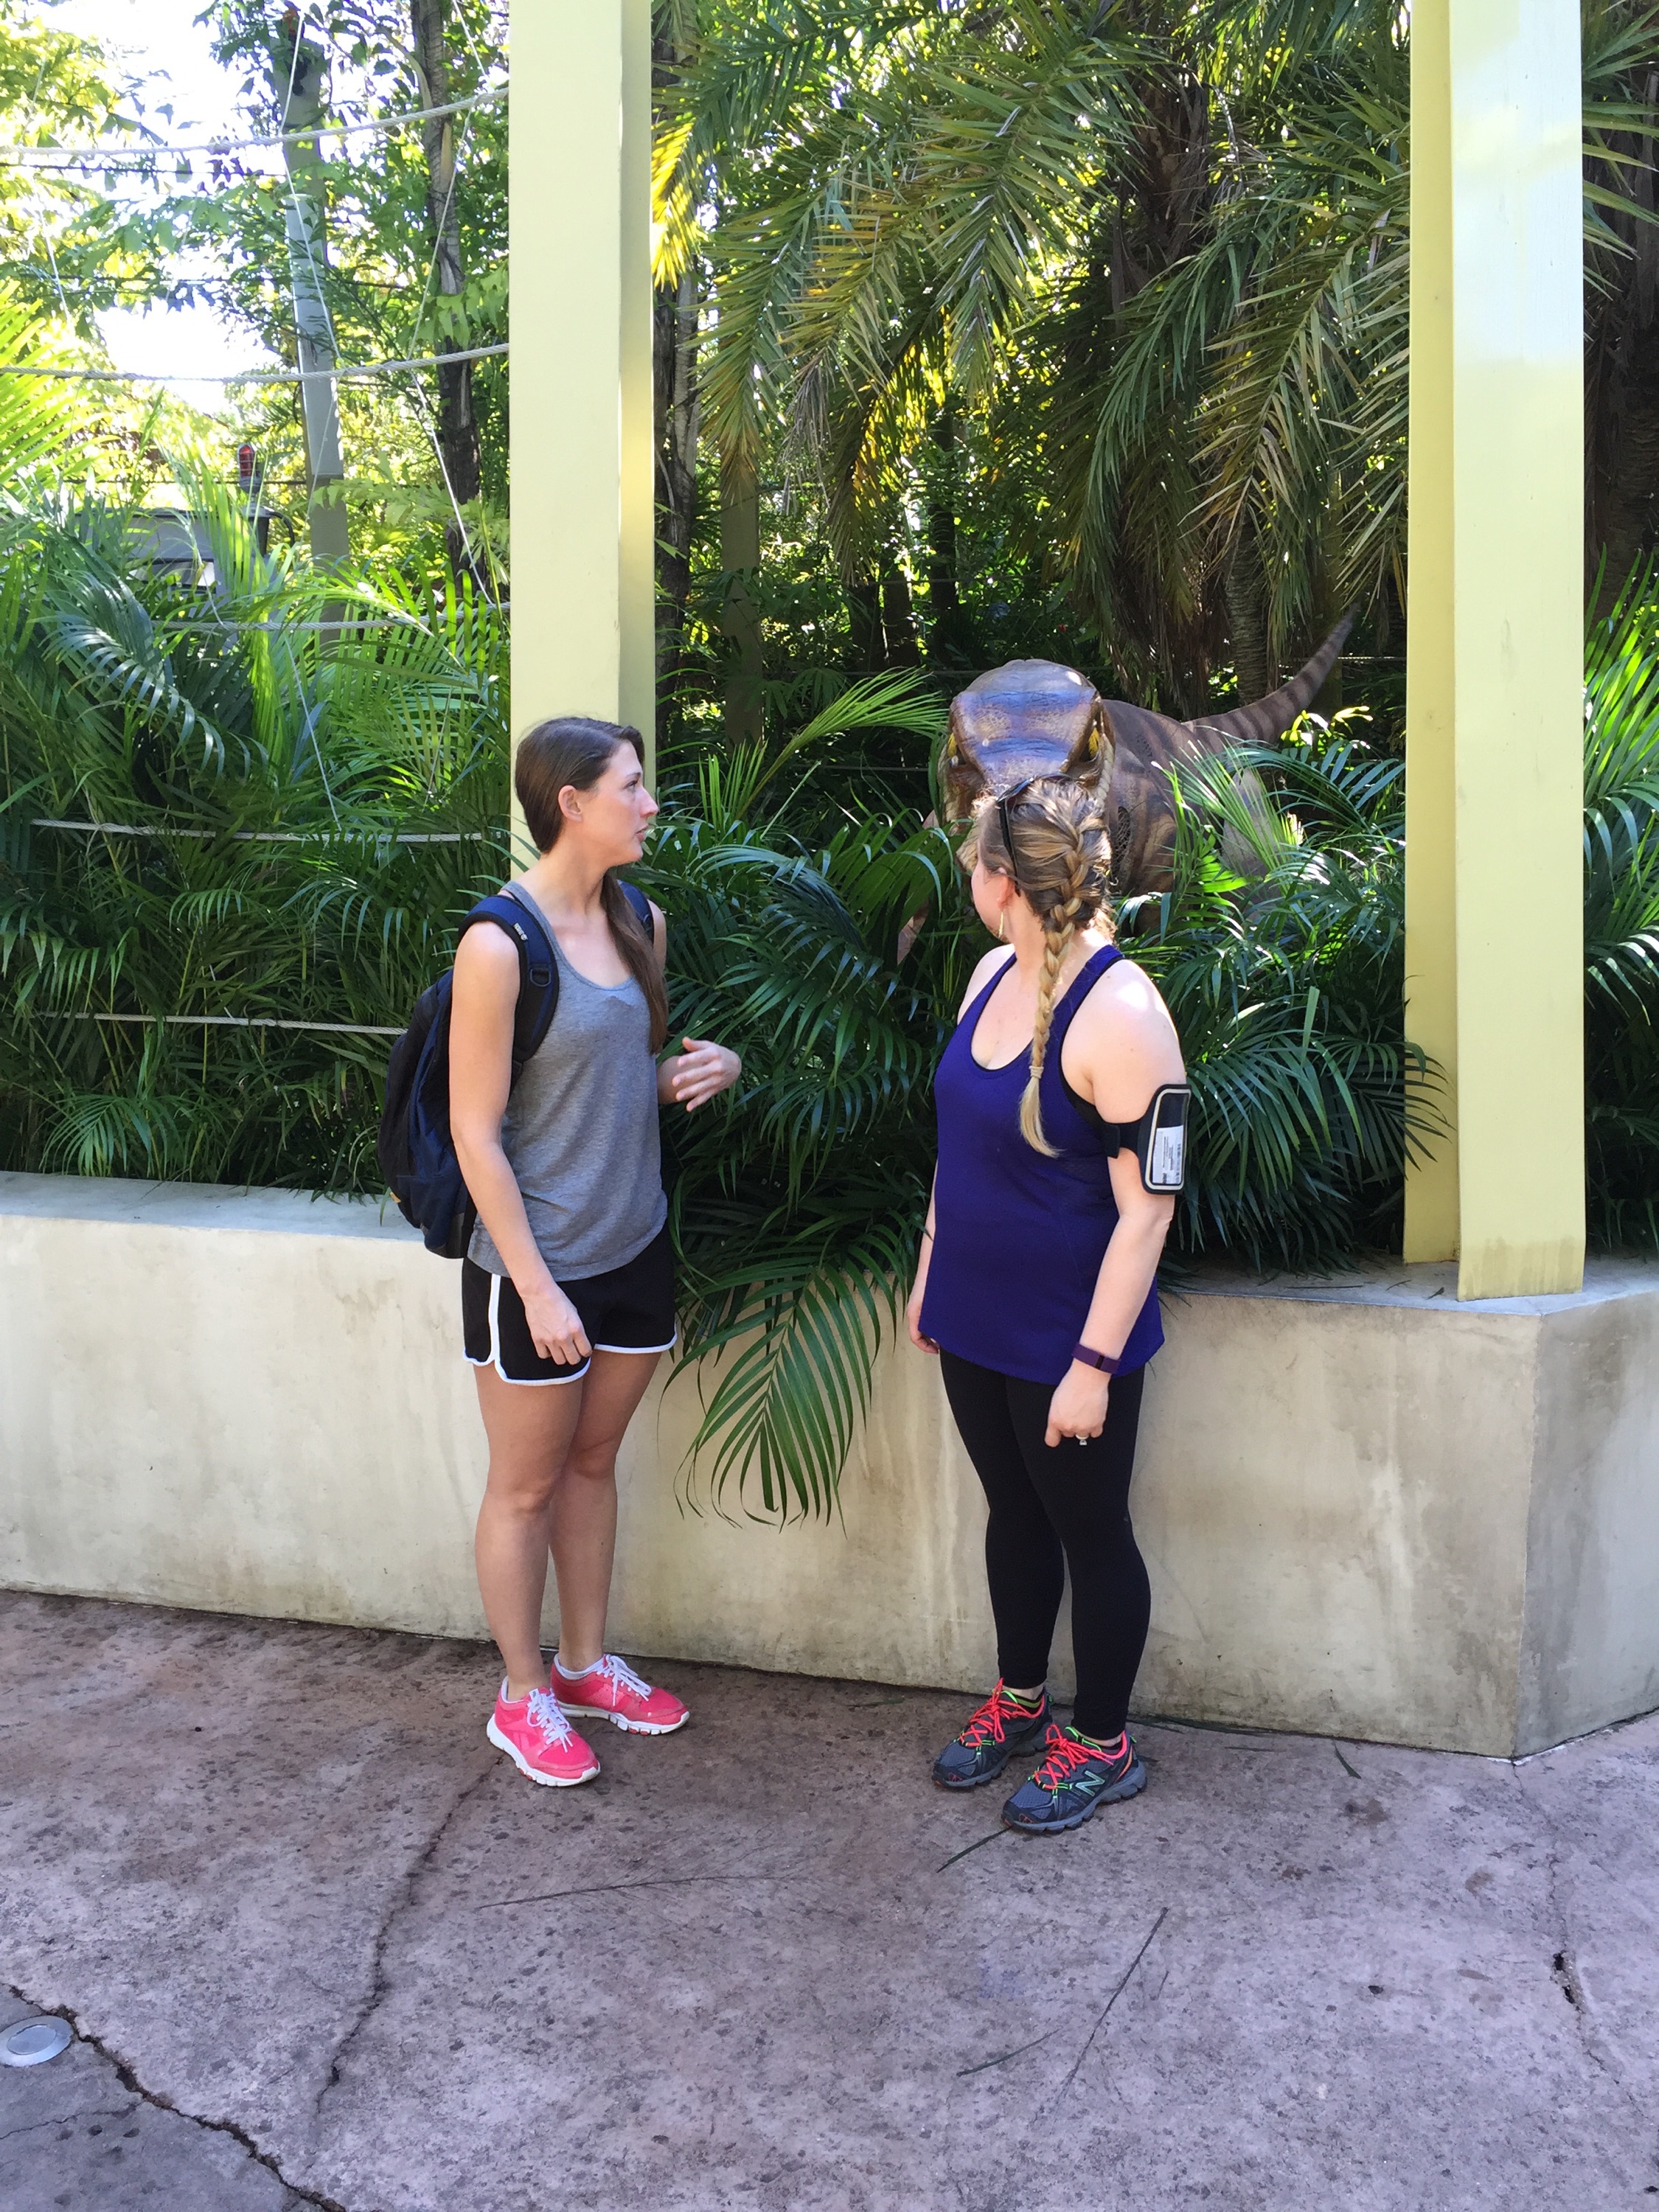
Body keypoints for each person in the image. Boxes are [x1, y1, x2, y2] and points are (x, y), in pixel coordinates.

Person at [450, 717, 741, 1789]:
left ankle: (583, 1666)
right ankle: (521, 1694)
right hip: (535, 1268)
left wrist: (707, 1070)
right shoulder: (497, 945)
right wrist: (534, 1288)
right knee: (523, 1488)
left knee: (589, 1462)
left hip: (634, 1246)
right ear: (570, 802)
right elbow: (475, 1131)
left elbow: (619, 1083)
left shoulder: (639, 922)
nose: (650, 803)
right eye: (632, 785)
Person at [906, 776, 1186, 1835]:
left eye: (971, 857)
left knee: (1092, 1532)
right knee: (1013, 1513)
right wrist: (931, 1267)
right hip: (974, 1316)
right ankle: (1020, 1701)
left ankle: (1103, 1745)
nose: (964, 872)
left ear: (1001, 881)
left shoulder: (1123, 1013)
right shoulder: (992, 973)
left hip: (1070, 1336)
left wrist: (1093, 1366)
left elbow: (1148, 1213)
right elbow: (959, 1148)